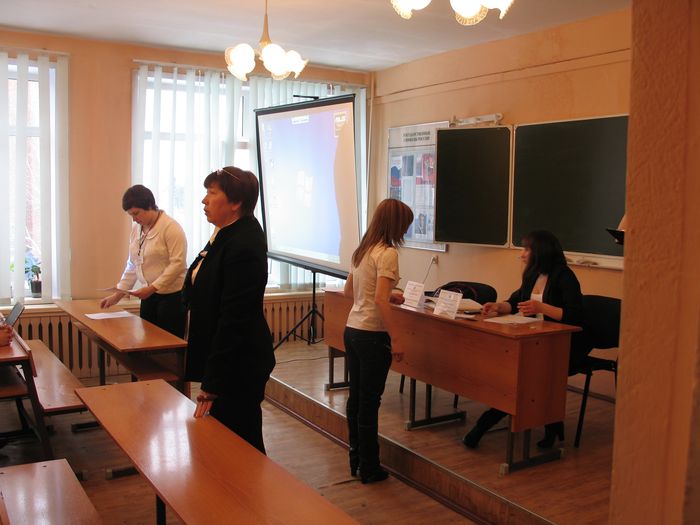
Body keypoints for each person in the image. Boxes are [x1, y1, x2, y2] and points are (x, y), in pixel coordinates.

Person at [462, 230, 585, 450]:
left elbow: (575, 315)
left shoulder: (564, 276)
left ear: (541, 251)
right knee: (509, 376)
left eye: (527, 249)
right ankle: (553, 424)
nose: (522, 254)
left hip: (557, 345)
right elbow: (515, 302)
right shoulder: (532, 275)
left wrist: (542, 308)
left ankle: (483, 426)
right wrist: (498, 306)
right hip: (531, 339)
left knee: (518, 380)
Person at [185, 167, 275, 454]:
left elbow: (235, 319)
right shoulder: (225, 233)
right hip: (226, 360)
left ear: (235, 202)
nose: (204, 200)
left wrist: (212, 382)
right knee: (224, 445)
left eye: (212, 193)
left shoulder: (244, 243)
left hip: (239, 364)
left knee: (240, 446)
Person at [343, 198, 414, 484]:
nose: (406, 231)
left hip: (353, 329)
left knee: (357, 398)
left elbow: (350, 292)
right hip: (373, 335)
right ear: (396, 224)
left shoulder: (362, 250)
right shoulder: (387, 253)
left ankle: (356, 459)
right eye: (405, 225)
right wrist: (396, 339)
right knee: (369, 402)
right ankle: (370, 468)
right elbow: (380, 300)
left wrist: (387, 296)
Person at [100, 185, 187, 337]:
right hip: (148, 296)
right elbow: (133, 264)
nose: (134, 219)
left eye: (136, 213)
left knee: (167, 343)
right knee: (147, 341)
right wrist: (118, 294)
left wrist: (153, 288)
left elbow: (178, 265)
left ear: (150, 206)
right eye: (130, 215)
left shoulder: (171, 228)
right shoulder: (137, 228)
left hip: (171, 298)